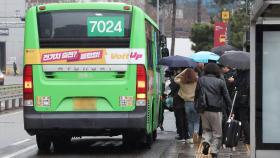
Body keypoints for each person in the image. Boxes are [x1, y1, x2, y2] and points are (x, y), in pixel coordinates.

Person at [195, 63, 232, 157]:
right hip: (216, 109)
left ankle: (206, 142)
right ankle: (214, 150)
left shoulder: (201, 80)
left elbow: (197, 94)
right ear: (217, 70)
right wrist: (231, 109)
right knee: (217, 132)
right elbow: (226, 96)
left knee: (206, 129)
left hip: (204, 109)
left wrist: (196, 106)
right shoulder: (220, 81)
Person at [175, 68, 199, 144]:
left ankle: (192, 137)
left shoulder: (182, 82)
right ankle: (196, 132)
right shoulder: (196, 81)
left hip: (187, 103)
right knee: (196, 121)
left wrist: (184, 71)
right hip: (195, 102)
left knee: (190, 121)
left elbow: (175, 78)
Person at [169, 69, 188, 142]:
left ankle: (181, 135)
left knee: (179, 119)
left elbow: (172, 89)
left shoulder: (177, 80)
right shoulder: (188, 80)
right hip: (186, 101)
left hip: (178, 102)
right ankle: (186, 135)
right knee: (185, 119)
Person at [234, 69, 250, 145]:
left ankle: (248, 137)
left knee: (243, 119)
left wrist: (234, 81)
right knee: (245, 119)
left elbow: (239, 85)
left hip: (242, 101)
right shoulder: (249, 73)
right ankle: (246, 137)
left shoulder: (242, 75)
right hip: (248, 100)